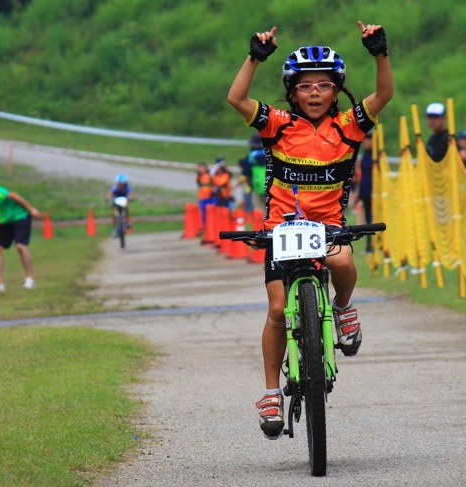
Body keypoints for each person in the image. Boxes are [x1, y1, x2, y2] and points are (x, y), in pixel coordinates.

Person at [227, 21, 393, 439]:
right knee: (278, 310)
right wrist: (255, 57)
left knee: (343, 259)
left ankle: (342, 308)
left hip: (328, 227)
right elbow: (236, 98)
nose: (314, 92)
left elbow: (384, 94)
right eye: (305, 86)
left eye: (323, 85)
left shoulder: (349, 126)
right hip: (281, 229)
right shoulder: (277, 124)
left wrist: (379, 53)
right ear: (292, 91)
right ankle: (269, 392)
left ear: (336, 90)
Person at [357, 130, 375, 251]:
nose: (366, 142)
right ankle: (369, 245)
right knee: (366, 218)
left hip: (373, 192)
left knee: (372, 218)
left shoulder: (375, 156)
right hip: (364, 191)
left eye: (369, 139)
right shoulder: (365, 155)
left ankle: (373, 244)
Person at [195, 162, 214, 226]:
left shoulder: (210, 176)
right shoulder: (199, 177)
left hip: (210, 197)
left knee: (211, 212)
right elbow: (197, 180)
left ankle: (210, 225)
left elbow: (215, 182)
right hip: (202, 197)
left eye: (202, 168)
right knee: (203, 213)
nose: (201, 170)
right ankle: (203, 226)